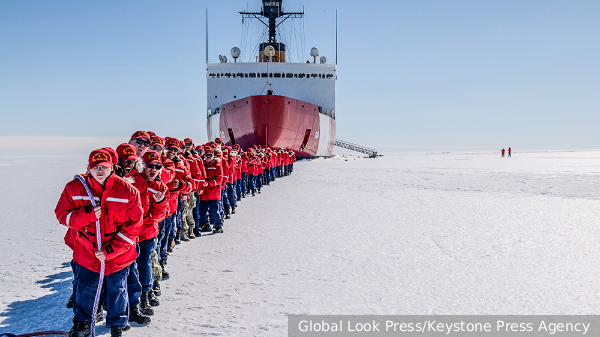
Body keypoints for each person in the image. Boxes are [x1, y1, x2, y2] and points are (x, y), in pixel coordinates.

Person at [55, 149, 144, 337]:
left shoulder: (129, 191)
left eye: (104, 167)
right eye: (96, 167)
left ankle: (117, 324)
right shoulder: (74, 188)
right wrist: (86, 215)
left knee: (117, 289)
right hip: (87, 252)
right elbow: (62, 215)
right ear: (89, 168)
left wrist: (111, 250)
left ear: (112, 168)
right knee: (85, 289)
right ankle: (83, 323)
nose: (100, 170)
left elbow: (134, 226)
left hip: (118, 254)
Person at [198, 147, 224, 233]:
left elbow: (219, 179)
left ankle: (218, 225)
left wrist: (208, 183)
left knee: (214, 211)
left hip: (213, 193)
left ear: (213, 156)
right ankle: (205, 225)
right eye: (206, 155)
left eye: (210, 155)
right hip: (203, 193)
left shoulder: (217, 165)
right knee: (203, 211)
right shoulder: (202, 164)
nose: (208, 157)